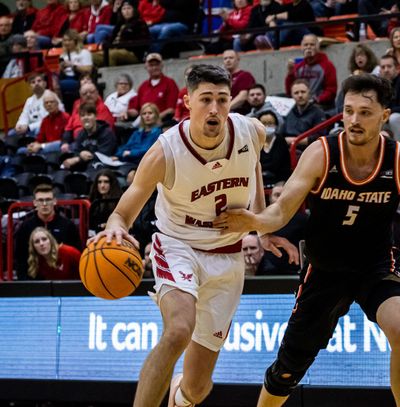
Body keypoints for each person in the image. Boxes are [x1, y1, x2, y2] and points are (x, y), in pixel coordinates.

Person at [90, 64, 298, 407]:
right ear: (187, 102)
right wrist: (115, 225)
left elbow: (255, 167)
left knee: (198, 389)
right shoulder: (166, 150)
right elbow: (128, 204)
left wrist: (260, 225)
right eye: (205, 100)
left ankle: (177, 396)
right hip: (178, 245)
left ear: (231, 100)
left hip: (227, 256)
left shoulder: (252, 131)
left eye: (222, 99)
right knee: (177, 331)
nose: (214, 108)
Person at [213, 73, 400, 407]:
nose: (354, 120)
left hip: (375, 266)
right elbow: (283, 209)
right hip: (325, 270)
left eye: (365, 113)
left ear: (385, 115)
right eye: (348, 111)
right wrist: (255, 221)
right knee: (289, 368)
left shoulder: (397, 158)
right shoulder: (322, 153)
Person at [15, 184, 82, 280]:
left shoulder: (68, 225)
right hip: (35, 280)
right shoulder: (26, 227)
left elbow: (77, 255)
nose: (45, 204)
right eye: (40, 200)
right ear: (34, 202)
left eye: (48, 199)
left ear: (54, 201)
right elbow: (20, 258)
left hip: (64, 280)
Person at [285, 34, 337, 110]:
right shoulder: (298, 66)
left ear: (317, 47)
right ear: (301, 47)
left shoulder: (327, 65)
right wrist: (290, 73)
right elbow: (290, 91)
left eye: (312, 44)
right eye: (306, 45)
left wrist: (317, 99)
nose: (308, 47)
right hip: (300, 104)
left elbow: (331, 90)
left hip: (320, 105)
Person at [62, 102, 117, 170]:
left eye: (89, 114)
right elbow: (76, 152)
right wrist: (79, 156)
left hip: (104, 165)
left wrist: (80, 158)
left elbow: (104, 155)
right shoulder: (81, 134)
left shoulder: (106, 132)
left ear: (95, 116)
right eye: (83, 115)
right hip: (85, 163)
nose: (86, 118)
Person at [126, 52, 179, 123]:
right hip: (144, 123)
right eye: (151, 65)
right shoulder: (143, 86)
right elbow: (137, 109)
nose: (154, 68)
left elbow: (171, 109)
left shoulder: (170, 83)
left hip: (162, 123)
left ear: (162, 65)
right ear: (146, 67)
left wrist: (154, 118)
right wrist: (128, 112)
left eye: (157, 65)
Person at [283, 79, 326, 147]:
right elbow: (280, 135)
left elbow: (319, 138)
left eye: (303, 92)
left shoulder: (318, 113)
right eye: (296, 93)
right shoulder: (288, 112)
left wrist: (294, 140)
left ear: (309, 93)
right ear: (292, 95)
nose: (300, 95)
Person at [58, 29, 93, 112]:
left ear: (75, 41)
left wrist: (73, 65)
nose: (66, 43)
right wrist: (61, 68)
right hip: (66, 78)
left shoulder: (84, 53)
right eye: (65, 40)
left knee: (60, 85)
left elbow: (88, 70)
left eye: (69, 40)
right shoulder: (63, 55)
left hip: (79, 79)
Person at [89, 169, 122, 233]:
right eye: (99, 182)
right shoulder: (93, 201)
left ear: (112, 184)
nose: (102, 185)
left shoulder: (119, 201)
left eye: (106, 182)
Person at [222, 49, 255, 114]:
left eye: (231, 58)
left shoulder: (245, 75)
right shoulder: (222, 78)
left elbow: (242, 97)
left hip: (241, 113)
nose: (228, 60)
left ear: (238, 59)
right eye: (225, 58)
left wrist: (225, 108)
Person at [379, 54, 400, 141]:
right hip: (386, 117)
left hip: (395, 117)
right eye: (383, 67)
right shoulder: (379, 85)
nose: (386, 70)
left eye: (389, 66)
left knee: (394, 118)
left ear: (397, 68)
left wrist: (388, 112)